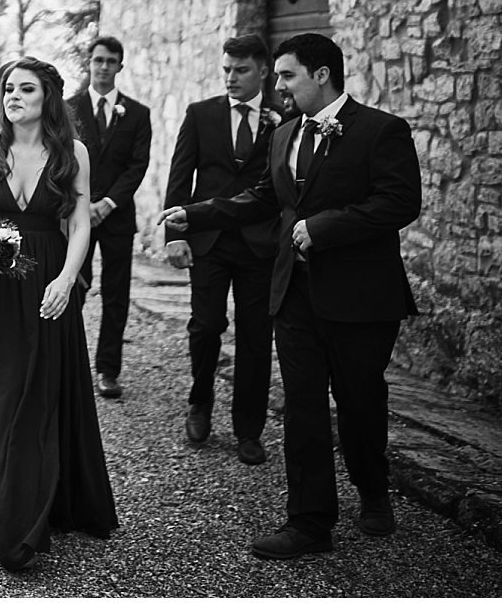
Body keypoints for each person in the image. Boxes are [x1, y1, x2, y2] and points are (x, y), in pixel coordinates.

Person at [160, 33, 421, 561]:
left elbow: (399, 202)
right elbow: (263, 198)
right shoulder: (283, 137)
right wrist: (199, 214)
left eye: (286, 75)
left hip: (361, 299)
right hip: (295, 293)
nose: (277, 86)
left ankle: (373, 491)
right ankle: (308, 522)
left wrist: (323, 228)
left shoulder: (381, 130)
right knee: (302, 407)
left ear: (321, 74)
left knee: (360, 402)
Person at [0, 57, 118, 572]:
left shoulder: (73, 152)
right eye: (6, 89)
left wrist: (67, 279)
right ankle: (6, 502)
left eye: (25, 89)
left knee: (39, 390)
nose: (12, 97)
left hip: (47, 280)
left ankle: (34, 505)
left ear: (49, 97)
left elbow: (80, 222)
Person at [162, 34, 281, 465]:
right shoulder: (201, 114)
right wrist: (175, 236)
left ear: (263, 70)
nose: (230, 77)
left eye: (241, 70)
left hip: (259, 242)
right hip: (208, 240)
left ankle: (249, 429)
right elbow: (180, 177)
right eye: (227, 69)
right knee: (206, 324)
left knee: (254, 336)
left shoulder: (283, 118)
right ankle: (200, 400)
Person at [67, 35, 152, 399]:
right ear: (89, 62)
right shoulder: (68, 109)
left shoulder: (137, 113)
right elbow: (62, 159)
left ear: (120, 66)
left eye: (111, 61)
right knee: (74, 285)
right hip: (77, 214)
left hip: (116, 217)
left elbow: (137, 165)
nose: (104, 67)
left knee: (117, 294)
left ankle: (108, 370)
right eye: (98, 59)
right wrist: (83, 203)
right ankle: (68, 362)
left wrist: (109, 203)